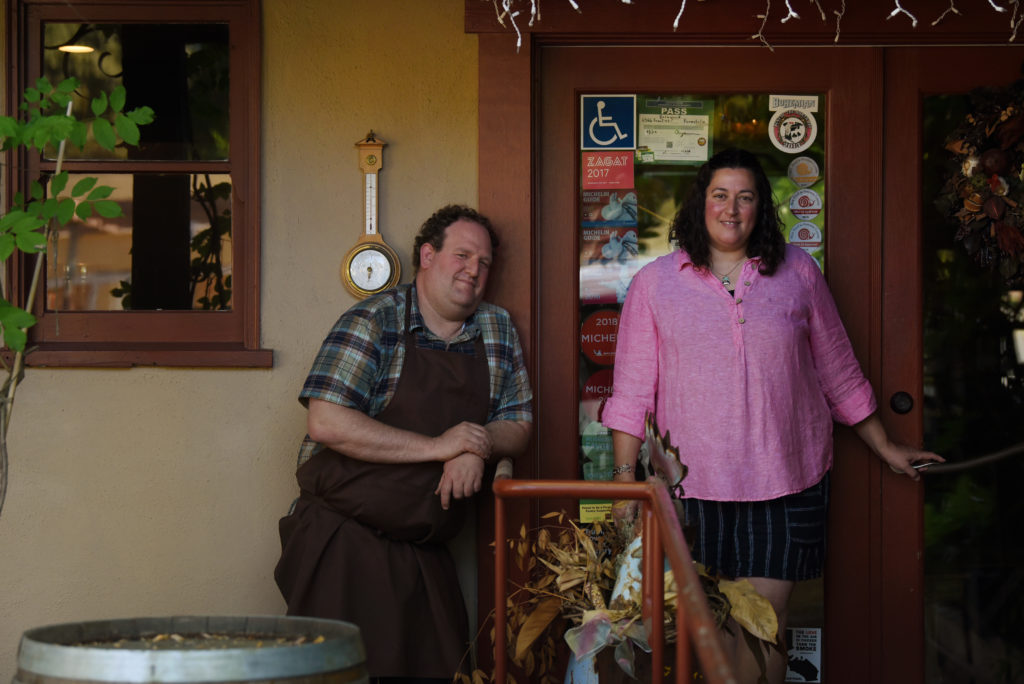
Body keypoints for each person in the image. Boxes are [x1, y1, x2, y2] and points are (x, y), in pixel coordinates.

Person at [600, 148, 942, 684]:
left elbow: (839, 372)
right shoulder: (655, 284)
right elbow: (631, 391)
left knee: (764, 628)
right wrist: (625, 484)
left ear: (761, 208)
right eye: (720, 195)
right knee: (703, 635)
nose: (731, 209)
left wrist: (885, 446)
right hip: (691, 490)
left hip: (786, 480)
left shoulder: (798, 273)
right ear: (700, 203)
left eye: (745, 197)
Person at [274, 205, 533, 684]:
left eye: (485, 262)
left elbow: (518, 423)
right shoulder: (376, 318)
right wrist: (439, 446)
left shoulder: (496, 328)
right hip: (341, 545)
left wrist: (474, 446)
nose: (474, 269)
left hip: (425, 552)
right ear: (428, 256)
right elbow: (327, 421)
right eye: (462, 255)